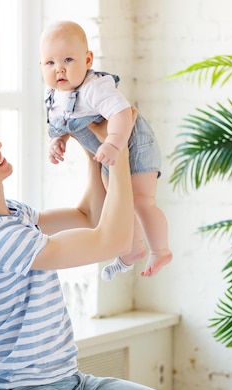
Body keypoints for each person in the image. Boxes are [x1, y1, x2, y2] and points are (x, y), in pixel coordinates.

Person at [0, 119, 208, 390]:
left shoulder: (11, 215)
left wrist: (93, 145)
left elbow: (87, 215)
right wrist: (118, 153)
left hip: (72, 381)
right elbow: (112, 242)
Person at [40, 20, 172, 280]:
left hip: (134, 147)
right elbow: (68, 120)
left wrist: (112, 142)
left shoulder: (94, 87)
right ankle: (132, 250)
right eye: (50, 63)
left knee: (142, 201)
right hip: (109, 155)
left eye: (68, 59)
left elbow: (123, 113)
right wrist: (60, 141)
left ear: (88, 59)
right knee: (120, 201)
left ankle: (161, 250)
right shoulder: (56, 95)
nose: (59, 69)